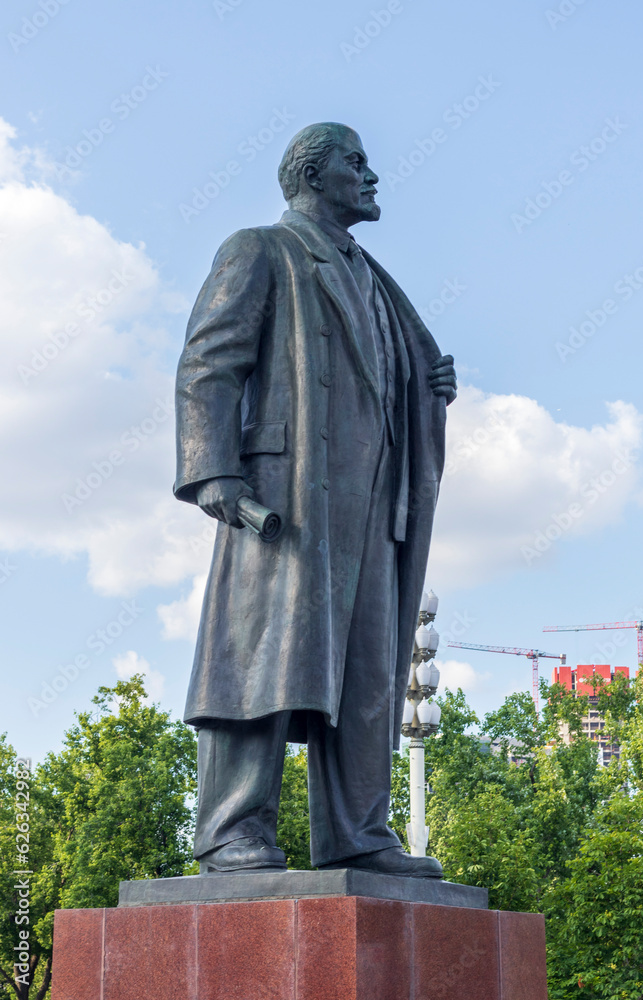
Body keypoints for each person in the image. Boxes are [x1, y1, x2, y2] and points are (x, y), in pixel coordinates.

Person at [174, 122, 457, 877]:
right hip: (288, 499)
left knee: (368, 674)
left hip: (371, 507)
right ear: (309, 173)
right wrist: (215, 472)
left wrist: (427, 387)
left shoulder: (374, 279)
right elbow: (209, 363)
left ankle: (358, 834)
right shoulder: (260, 249)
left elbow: (385, 379)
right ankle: (234, 832)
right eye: (354, 163)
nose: (371, 175)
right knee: (259, 660)